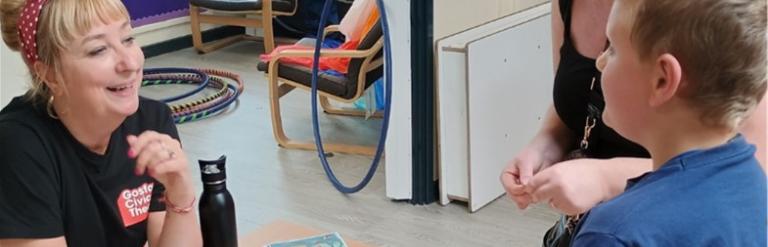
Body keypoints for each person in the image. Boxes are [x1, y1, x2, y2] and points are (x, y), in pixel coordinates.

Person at [501, 0, 766, 218]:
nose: (601, 62)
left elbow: (752, 166)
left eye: (614, 50)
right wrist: (545, 145)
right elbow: (578, 97)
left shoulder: (725, 12)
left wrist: (605, 179)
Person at [0, 0, 203, 246]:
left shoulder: (152, 122)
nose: (130, 64)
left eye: (128, 39)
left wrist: (180, 194)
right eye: (98, 50)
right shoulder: (18, 145)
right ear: (50, 74)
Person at [570, 0, 766, 245]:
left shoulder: (614, 233)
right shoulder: (754, 182)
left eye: (613, 49)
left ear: (662, 80)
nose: (600, 62)